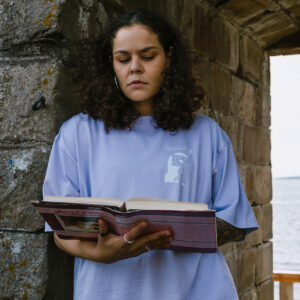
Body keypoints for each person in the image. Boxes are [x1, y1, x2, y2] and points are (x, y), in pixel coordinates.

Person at [43, 8, 258, 300]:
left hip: (199, 290)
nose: (135, 68)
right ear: (111, 64)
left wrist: (178, 228)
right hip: (107, 290)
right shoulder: (77, 134)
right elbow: (61, 230)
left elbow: (233, 222)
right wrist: (101, 252)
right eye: (123, 59)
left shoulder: (207, 134)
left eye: (147, 56)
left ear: (169, 58)